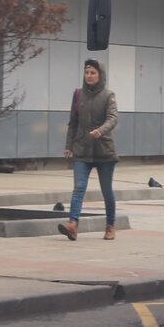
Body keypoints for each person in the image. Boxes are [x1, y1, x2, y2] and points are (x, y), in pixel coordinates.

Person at [60, 59, 119, 241]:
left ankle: (110, 225)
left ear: (100, 75)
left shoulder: (109, 95)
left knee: (106, 190)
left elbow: (113, 118)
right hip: (82, 150)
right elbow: (73, 122)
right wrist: (69, 146)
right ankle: (73, 225)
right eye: (87, 72)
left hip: (104, 151)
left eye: (93, 72)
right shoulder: (78, 95)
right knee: (78, 188)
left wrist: (100, 131)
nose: (89, 76)